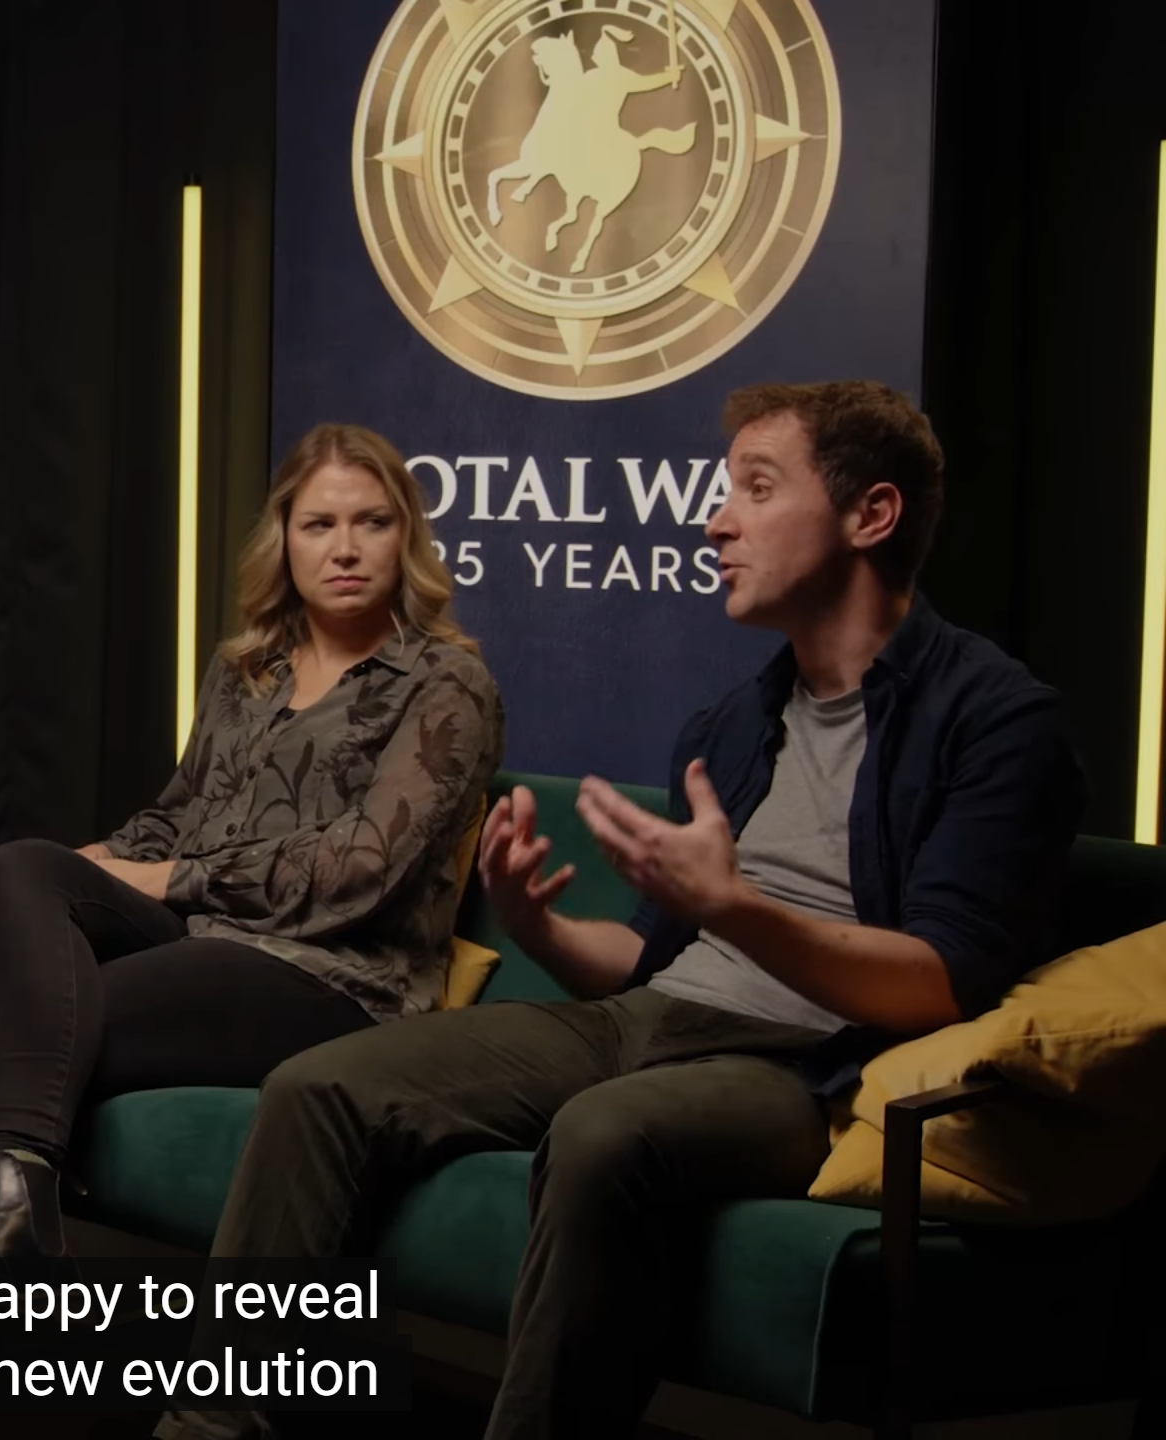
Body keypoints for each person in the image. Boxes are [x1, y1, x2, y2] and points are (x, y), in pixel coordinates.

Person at [164, 381, 1085, 1440]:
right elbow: (649, 964)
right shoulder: (734, 723)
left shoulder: (997, 722)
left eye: (756, 489)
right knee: (319, 1087)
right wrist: (539, 925)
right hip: (649, 1022)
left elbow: (941, 985)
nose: (717, 521)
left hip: (811, 1065)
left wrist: (734, 907)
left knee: (604, 1135)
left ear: (870, 515)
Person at [0, 422, 504, 1263]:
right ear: (285, 540)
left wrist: (174, 879)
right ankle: (4, 1250)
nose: (345, 548)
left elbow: (365, 868)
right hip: (204, 939)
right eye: (320, 524)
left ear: (405, 537)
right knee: (20, 868)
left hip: (333, 979)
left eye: (372, 523)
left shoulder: (447, 684)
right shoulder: (248, 670)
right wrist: (86, 870)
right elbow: (176, 815)